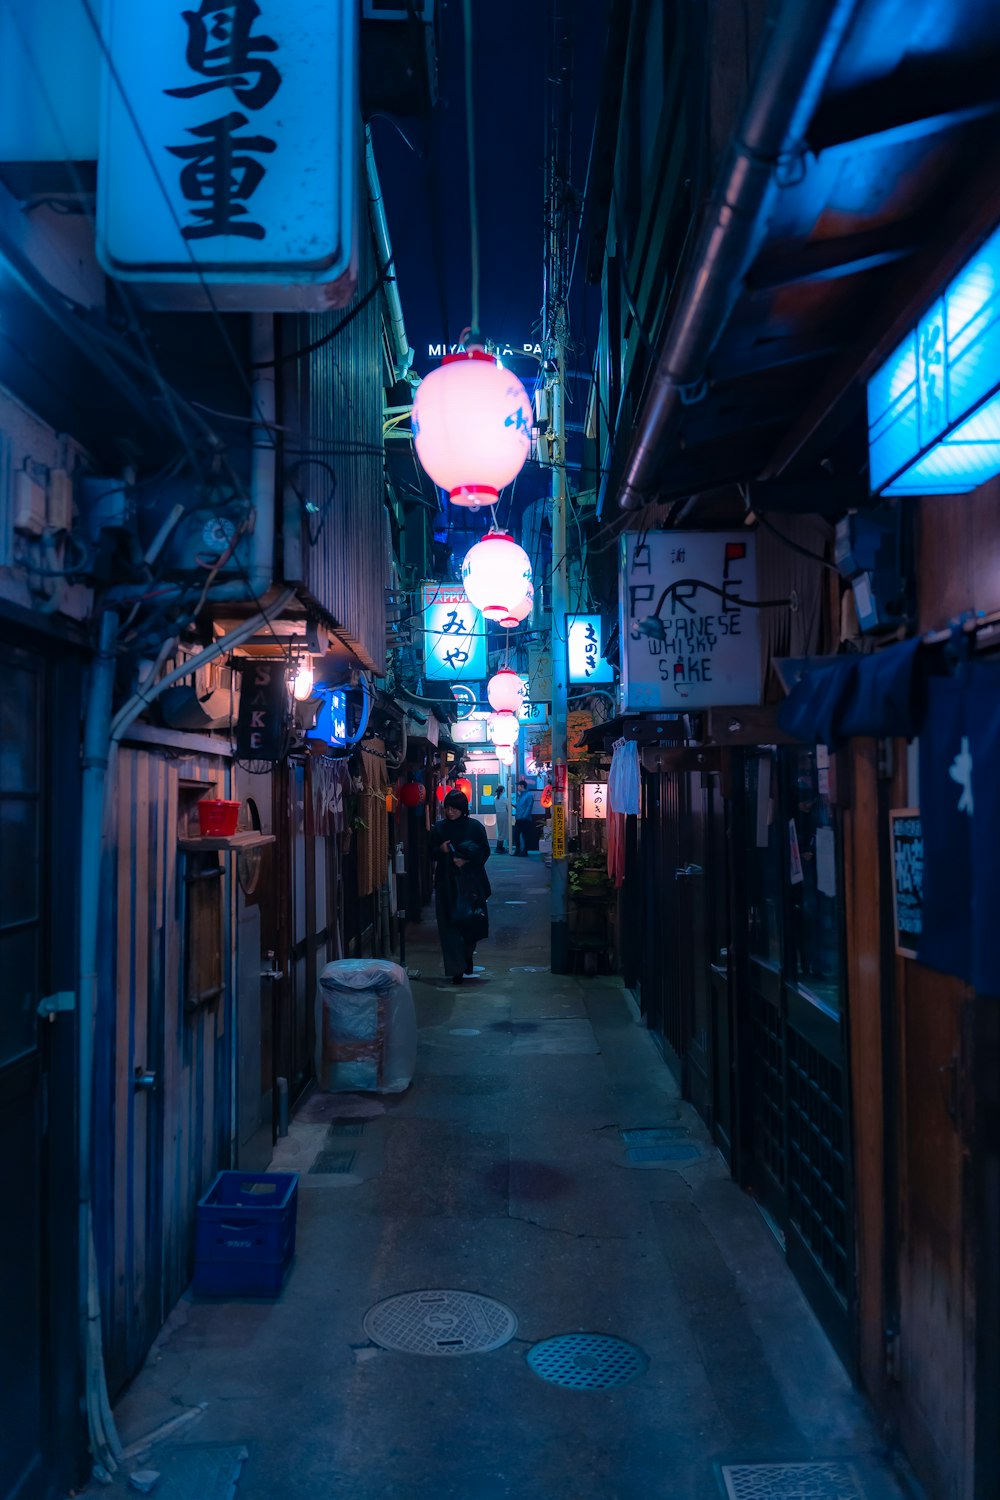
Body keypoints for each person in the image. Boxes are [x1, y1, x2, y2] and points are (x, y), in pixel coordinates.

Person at [428, 789, 492, 983]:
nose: (450, 812)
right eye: (448, 808)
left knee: (471, 922)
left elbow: (484, 852)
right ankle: (456, 969)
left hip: (470, 885)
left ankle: (466, 956)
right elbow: (429, 853)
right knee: (448, 926)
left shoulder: (474, 827)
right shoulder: (439, 828)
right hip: (445, 884)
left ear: (463, 809)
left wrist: (466, 862)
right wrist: (441, 849)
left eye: (455, 808)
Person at [513, 778, 535, 857]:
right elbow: (519, 806)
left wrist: (524, 816)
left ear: (522, 786)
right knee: (516, 835)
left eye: (518, 786)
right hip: (518, 819)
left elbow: (529, 807)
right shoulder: (520, 795)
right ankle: (517, 851)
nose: (517, 787)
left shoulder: (529, 795)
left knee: (525, 836)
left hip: (525, 819)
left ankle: (525, 851)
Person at [493, 782, 509, 853]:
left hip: (498, 814)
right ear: (502, 790)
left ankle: (499, 847)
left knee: (500, 830)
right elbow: (508, 807)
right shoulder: (504, 798)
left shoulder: (495, 798)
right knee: (503, 831)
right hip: (504, 815)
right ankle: (499, 847)